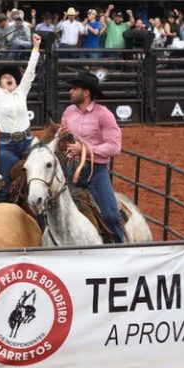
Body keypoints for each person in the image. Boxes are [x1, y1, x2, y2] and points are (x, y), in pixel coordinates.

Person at [0, 33, 42, 203]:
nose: (8, 77)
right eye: (4, 77)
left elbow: (30, 70)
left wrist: (36, 47)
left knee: (40, 182)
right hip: (7, 147)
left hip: (28, 142)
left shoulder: (22, 91)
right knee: (2, 189)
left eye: (11, 76)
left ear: (16, 82)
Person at [58, 71, 126, 243]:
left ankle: (121, 248)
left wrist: (86, 150)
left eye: (74, 88)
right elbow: (63, 142)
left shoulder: (104, 115)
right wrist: (62, 137)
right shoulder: (68, 112)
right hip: (70, 168)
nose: (70, 92)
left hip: (96, 172)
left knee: (111, 215)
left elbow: (114, 147)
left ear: (86, 92)